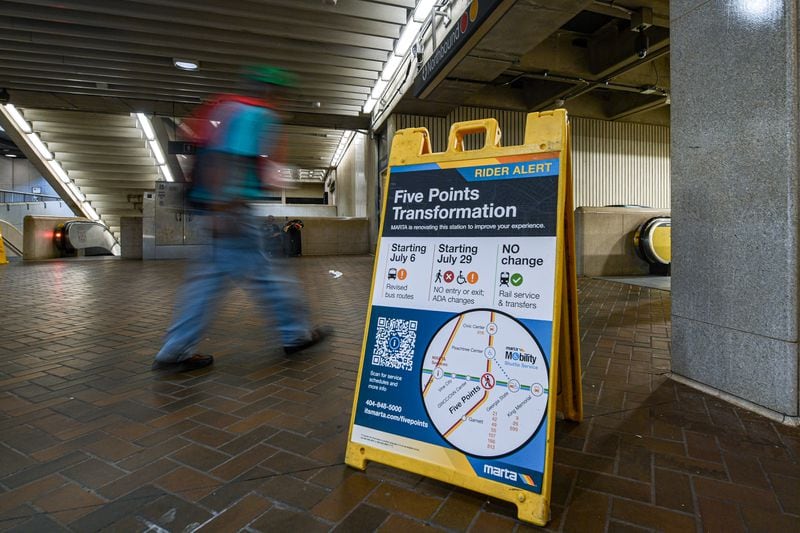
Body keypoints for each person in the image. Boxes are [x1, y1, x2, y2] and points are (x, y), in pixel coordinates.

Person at [152, 66, 330, 372]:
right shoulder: (254, 114)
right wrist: (224, 207)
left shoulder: (230, 110)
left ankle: (175, 350)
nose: (283, 101)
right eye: (282, 94)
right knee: (268, 277)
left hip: (213, 208)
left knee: (207, 283)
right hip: (230, 210)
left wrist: (215, 208)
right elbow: (229, 158)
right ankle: (295, 334)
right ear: (271, 91)